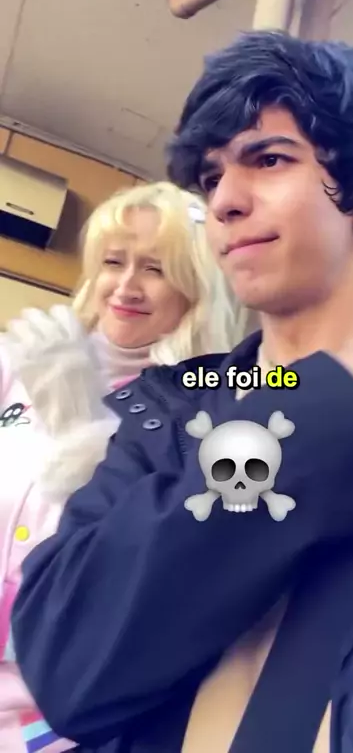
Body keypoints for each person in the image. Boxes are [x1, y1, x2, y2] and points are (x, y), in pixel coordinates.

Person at [11, 33, 353, 753]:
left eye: (268, 159)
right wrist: (333, 408)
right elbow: (67, 664)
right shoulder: (165, 410)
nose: (225, 201)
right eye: (211, 177)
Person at [0, 180, 244, 752]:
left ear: (196, 286)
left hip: (49, 718)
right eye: (114, 261)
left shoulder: (206, 407)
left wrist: (82, 438)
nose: (127, 285)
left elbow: (144, 566)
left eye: (155, 269)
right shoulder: (21, 363)